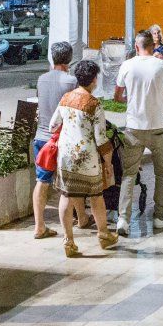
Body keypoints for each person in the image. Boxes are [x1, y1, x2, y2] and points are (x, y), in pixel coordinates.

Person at [50, 59, 119, 257]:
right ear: (94, 80)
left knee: (66, 196)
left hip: (65, 157)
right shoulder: (94, 104)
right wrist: (108, 164)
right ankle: (104, 234)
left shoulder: (65, 98)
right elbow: (101, 139)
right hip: (87, 158)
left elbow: (53, 126)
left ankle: (68, 241)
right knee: (96, 195)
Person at [115, 30, 163, 235]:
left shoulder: (127, 65)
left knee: (129, 174)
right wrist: (161, 110)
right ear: (153, 46)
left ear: (136, 46)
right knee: (161, 173)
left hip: (133, 128)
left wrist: (131, 102)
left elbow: (117, 95)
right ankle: (159, 217)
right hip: (158, 127)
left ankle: (123, 219)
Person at [33, 42, 77, 240]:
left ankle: (39, 226)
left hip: (42, 139)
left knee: (42, 182)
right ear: (69, 59)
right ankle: (74, 224)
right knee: (68, 184)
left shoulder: (41, 79)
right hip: (62, 139)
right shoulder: (71, 81)